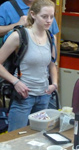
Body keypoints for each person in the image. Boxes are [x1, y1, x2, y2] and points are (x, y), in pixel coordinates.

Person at [0, 0, 58, 132]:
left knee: (40, 136)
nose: (49, 20)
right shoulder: (19, 36)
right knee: (16, 137)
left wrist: (54, 84)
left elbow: (52, 64)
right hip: (24, 96)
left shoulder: (50, 37)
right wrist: (16, 82)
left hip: (44, 95)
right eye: (44, 16)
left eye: (51, 16)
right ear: (33, 14)